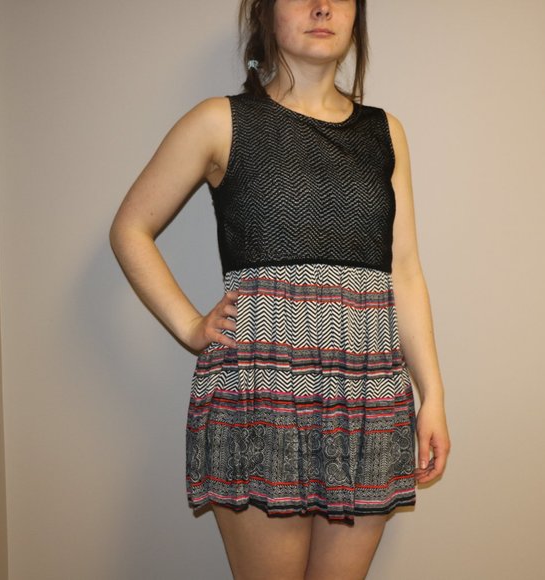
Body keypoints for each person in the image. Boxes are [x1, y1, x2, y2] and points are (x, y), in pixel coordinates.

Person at [110, 0, 450, 578]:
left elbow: (406, 270)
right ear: (265, 15)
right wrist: (190, 326)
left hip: (367, 395)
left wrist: (433, 395)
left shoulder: (386, 132)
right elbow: (130, 229)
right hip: (258, 394)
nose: (322, 7)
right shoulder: (220, 121)